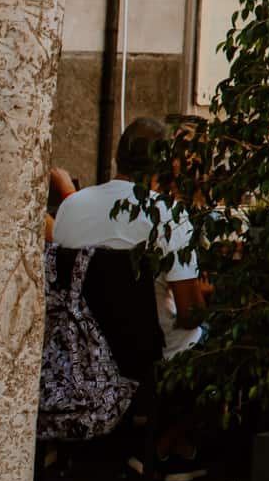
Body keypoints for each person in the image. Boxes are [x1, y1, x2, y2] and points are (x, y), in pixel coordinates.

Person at [51, 116, 210, 362]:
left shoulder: (70, 207)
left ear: (117, 156)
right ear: (165, 164)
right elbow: (190, 314)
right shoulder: (168, 214)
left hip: (86, 356)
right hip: (155, 357)